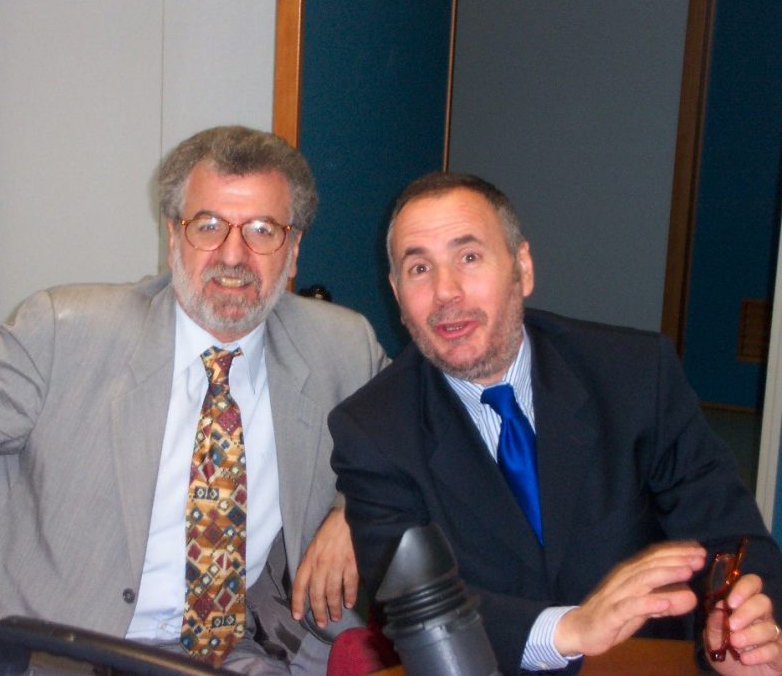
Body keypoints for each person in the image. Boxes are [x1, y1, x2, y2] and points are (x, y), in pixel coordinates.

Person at [0, 125, 388, 674]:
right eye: (208, 225)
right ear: (172, 237)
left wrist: (352, 509)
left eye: (262, 230)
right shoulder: (64, 332)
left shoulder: (340, 346)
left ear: (293, 250)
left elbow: (412, 435)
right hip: (50, 649)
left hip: (229, 653)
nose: (232, 254)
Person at [329, 171, 782, 674]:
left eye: (469, 257)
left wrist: (736, 629)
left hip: (643, 662)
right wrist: (572, 628)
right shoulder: (371, 429)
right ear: (396, 293)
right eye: (419, 268)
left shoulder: (634, 374)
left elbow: (731, 534)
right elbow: (417, 609)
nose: (445, 292)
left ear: (522, 268)